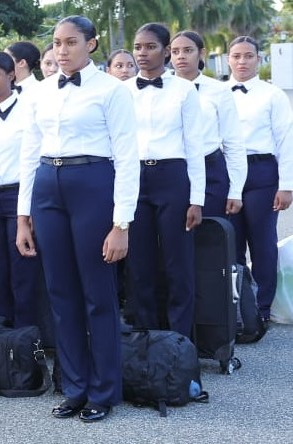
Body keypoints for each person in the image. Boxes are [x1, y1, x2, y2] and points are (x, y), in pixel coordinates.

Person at [16, 15, 139, 423]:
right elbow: (28, 152)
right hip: (47, 186)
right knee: (60, 293)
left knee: (97, 294)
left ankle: (103, 391)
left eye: (71, 42)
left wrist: (121, 224)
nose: (62, 50)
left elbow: (127, 157)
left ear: (92, 44)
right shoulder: (39, 92)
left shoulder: (112, 91)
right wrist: (23, 216)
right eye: (57, 42)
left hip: (93, 184)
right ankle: (74, 387)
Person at [123, 23, 206, 337]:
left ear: (166, 51)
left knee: (177, 263)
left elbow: (194, 146)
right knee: (138, 263)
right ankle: (146, 339)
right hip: (133, 176)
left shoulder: (184, 90)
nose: (142, 53)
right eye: (138, 47)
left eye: (151, 47)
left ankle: (180, 340)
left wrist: (196, 199)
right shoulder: (122, 91)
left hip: (172, 176)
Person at [0, 51, 46, 333]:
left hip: (20, 196)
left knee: (23, 267)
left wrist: (29, 209)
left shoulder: (30, 110)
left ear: (12, 75)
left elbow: (35, 160)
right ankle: (3, 337)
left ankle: (27, 335)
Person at [227, 35, 293, 331]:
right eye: (236, 56)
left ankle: (261, 308)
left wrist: (286, 184)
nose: (242, 61)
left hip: (261, 172)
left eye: (248, 56)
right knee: (230, 243)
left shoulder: (272, 95)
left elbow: (286, 140)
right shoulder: (217, 93)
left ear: (259, 59)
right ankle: (235, 307)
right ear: (228, 59)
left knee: (262, 242)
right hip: (227, 171)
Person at [169, 31, 247, 218]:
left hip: (210, 170)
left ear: (201, 53)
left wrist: (236, 190)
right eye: (175, 51)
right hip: (171, 171)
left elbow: (233, 140)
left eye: (188, 50)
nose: (181, 56)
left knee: (209, 231)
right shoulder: (160, 88)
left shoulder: (218, 90)